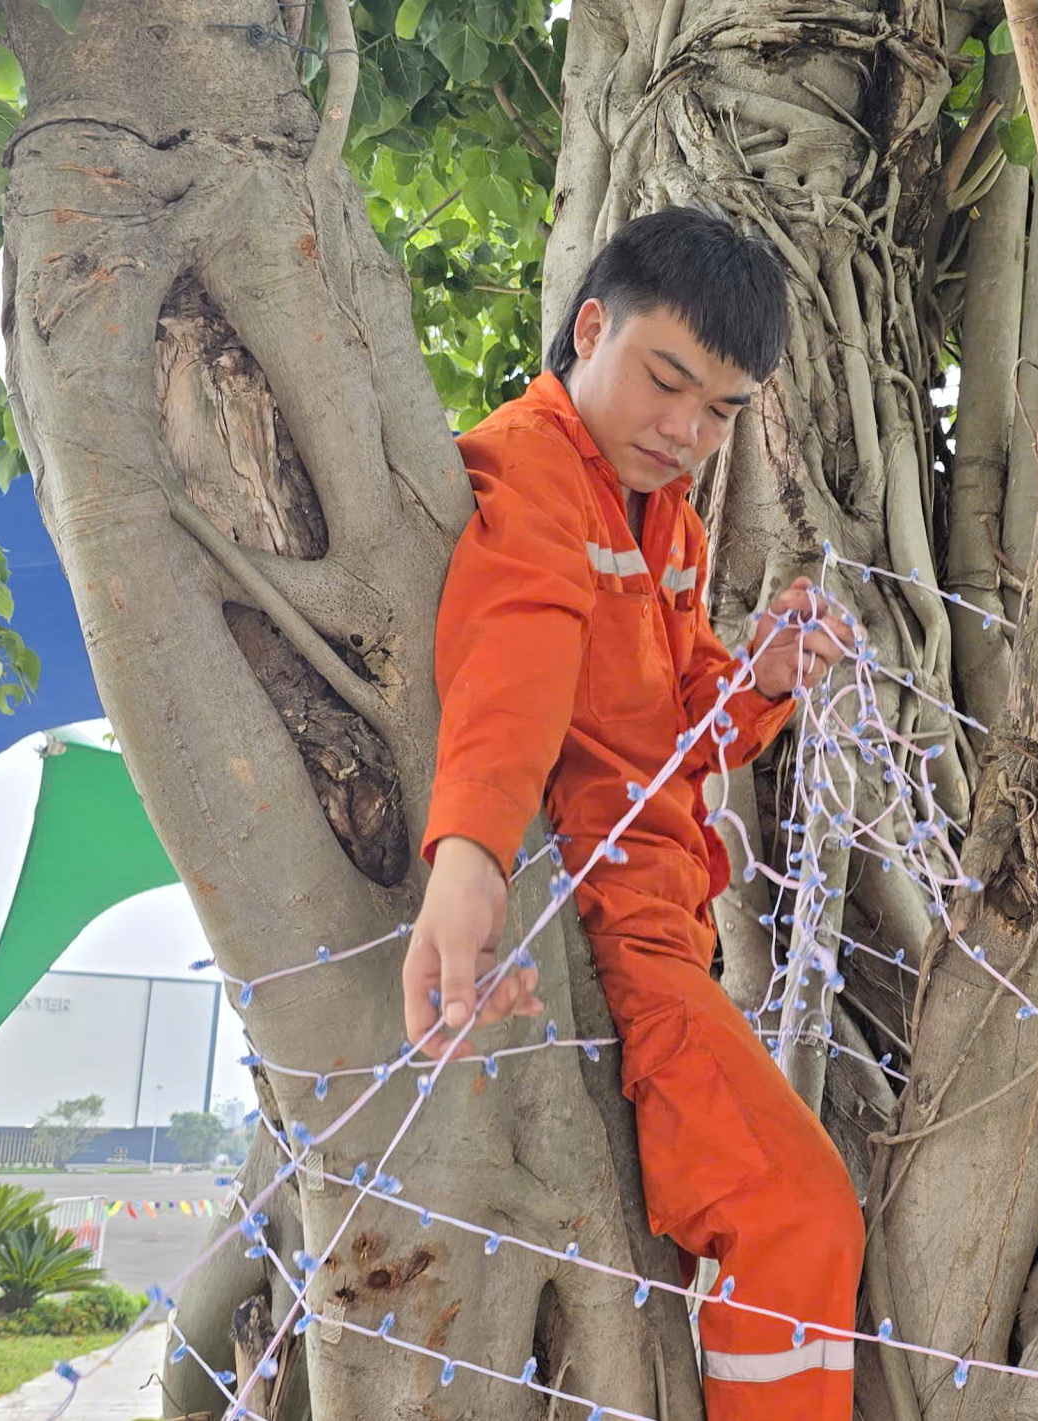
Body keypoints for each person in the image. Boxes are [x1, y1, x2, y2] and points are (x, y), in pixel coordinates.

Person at [404, 207, 865, 1420]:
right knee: (800, 1210)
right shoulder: (535, 465)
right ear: (590, 327)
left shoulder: (676, 526)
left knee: (776, 1222)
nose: (688, 429)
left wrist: (759, 681)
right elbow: (517, 651)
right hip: (617, 942)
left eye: (723, 410)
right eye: (668, 381)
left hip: (680, 925)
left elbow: (670, 733)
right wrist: (469, 860)